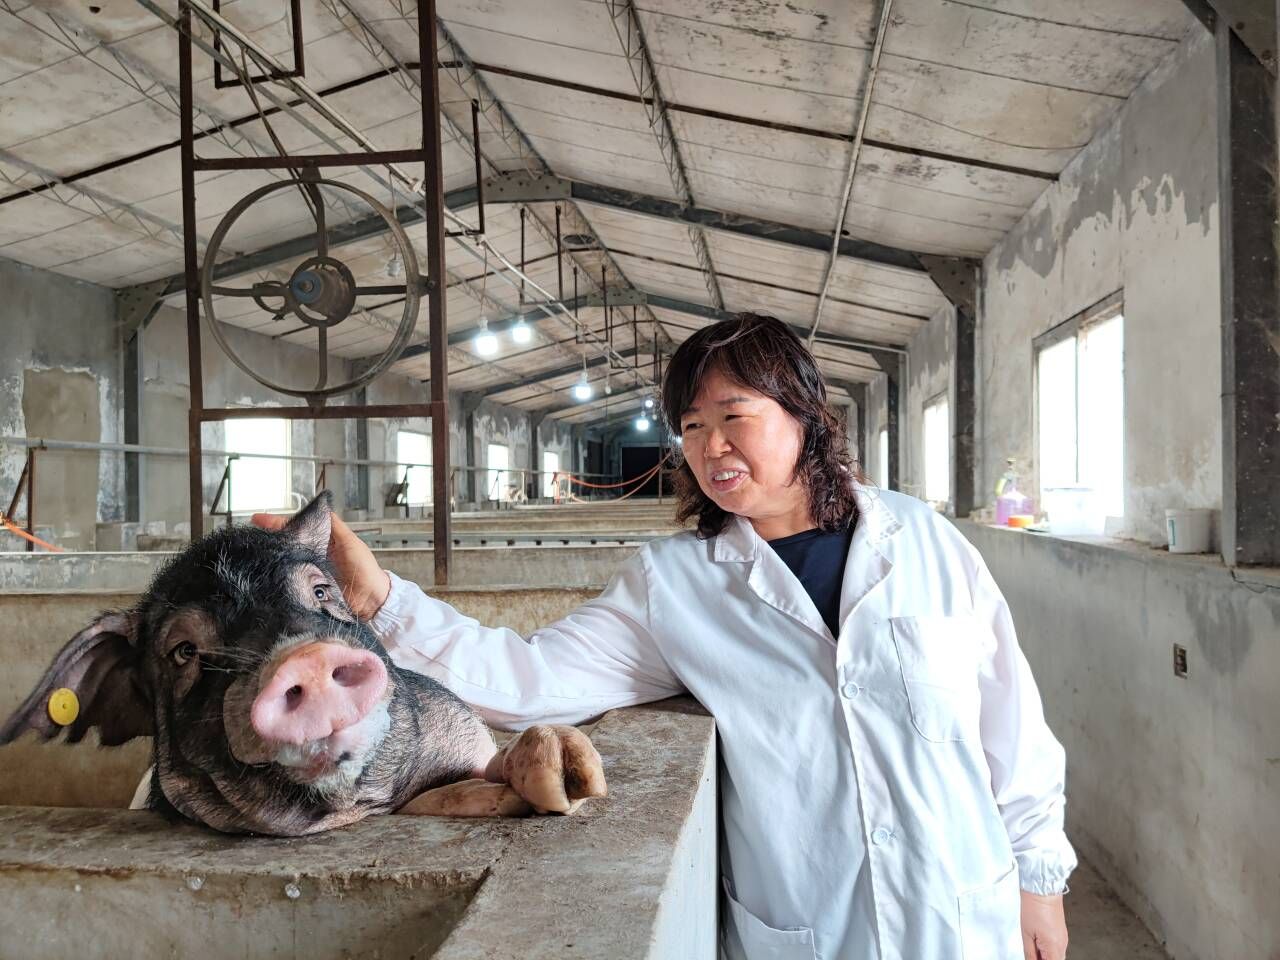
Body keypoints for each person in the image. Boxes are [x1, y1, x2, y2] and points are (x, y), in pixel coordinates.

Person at [262, 314, 1074, 960]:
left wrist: (1039, 879)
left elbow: (1012, 724)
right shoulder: (676, 585)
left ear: (804, 414)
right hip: (812, 929)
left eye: (733, 416)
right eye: (690, 425)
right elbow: (529, 679)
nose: (710, 446)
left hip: (966, 912)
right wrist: (379, 601)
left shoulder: (924, 540)